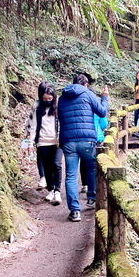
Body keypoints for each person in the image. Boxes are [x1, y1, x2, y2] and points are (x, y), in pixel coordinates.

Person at [57, 73, 109, 222]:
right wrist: (105, 97)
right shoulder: (87, 93)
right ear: (85, 84)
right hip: (87, 140)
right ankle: (91, 198)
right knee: (91, 168)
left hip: (68, 140)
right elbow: (102, 111)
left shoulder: (62, 98)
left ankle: (74, 211)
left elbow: (60, 117)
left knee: (71, 176)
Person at [26, 82, 63, 205]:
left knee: (56, 165)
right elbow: (32, 125)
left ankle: (57, 191)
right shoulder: (37, 107)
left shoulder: (58, 107)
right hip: (42, 141)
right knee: (47, 167)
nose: (47, 101)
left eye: (50, 99)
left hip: (56, 141)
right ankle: (51, 189)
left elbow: (63, 123)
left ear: (53, 98)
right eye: (45, 99)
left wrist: (62, 138)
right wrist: (30, 143)